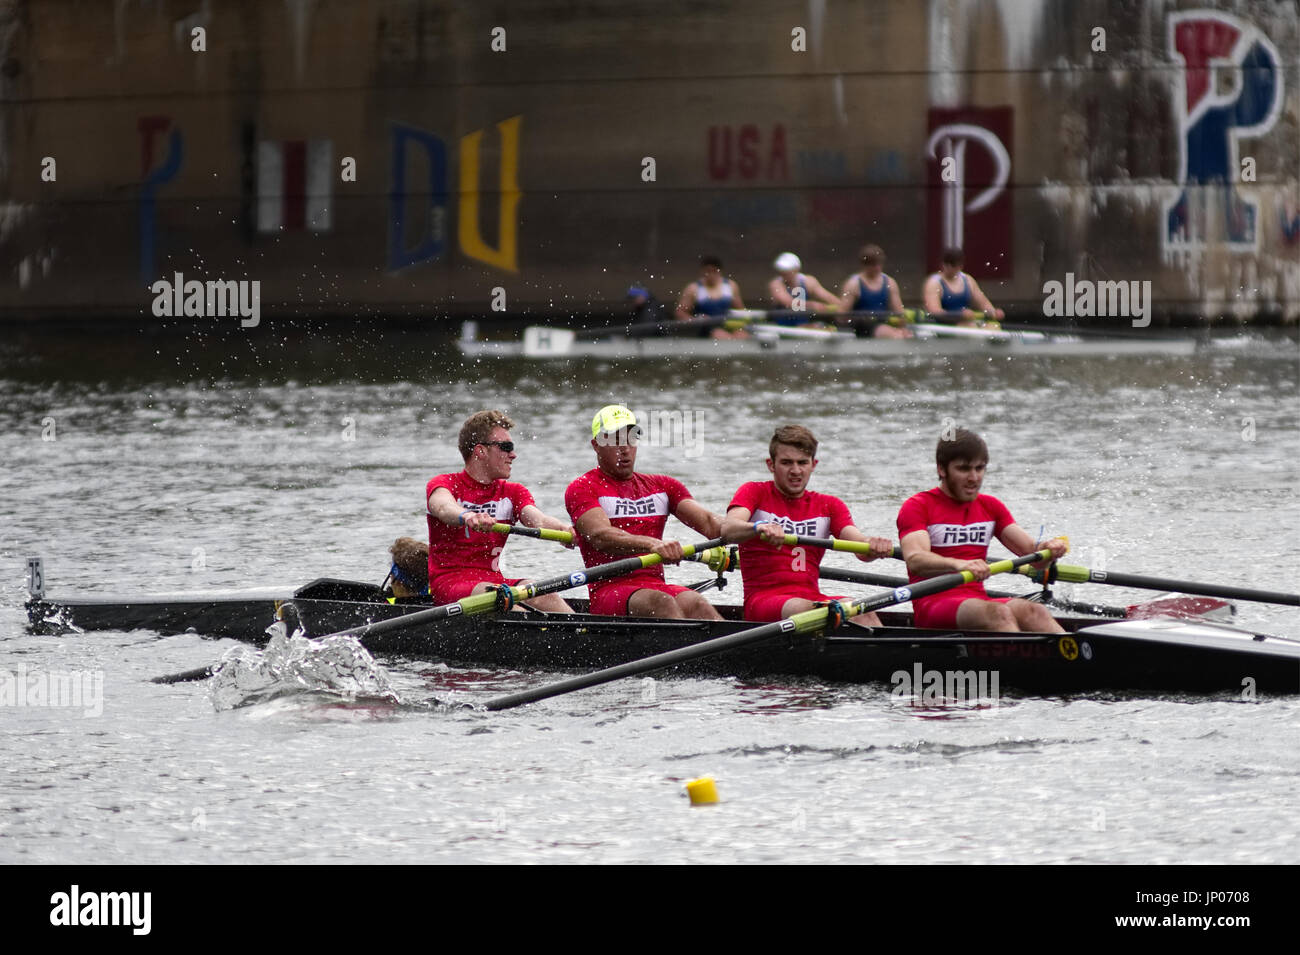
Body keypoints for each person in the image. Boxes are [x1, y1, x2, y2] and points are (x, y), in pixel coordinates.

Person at [897, 429, 1069, 632]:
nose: (974, 477)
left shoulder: (991, 507)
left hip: (978, 600)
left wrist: (1048, 549)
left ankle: (1072, 658)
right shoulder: (918, 506)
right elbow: (916, 560)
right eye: (964, 469)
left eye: (979, 468)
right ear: (942, 469)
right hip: (933, 604)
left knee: (1036, 612)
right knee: (999, 614)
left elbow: (1035, 557)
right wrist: (959, 564)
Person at [565, 405, 724, 619]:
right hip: (609, 590)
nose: (625, 448)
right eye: (615, 440)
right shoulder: (583, 487)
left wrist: (755, 526)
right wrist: (652, 544)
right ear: (596, 445)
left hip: (654, 585)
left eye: (631, 439)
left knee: (698, 604)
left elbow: (712, 524)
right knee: (662, 603)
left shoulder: (664, 486)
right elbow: (600, 536)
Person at [722, 425, 894, 623]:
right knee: (820, 610)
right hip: (764, 602)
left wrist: (873, 545)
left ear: (814, 464)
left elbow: (860, 548)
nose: (796, 471)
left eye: (802, 462)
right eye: (787, 463)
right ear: (771, 464)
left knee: (861, 609)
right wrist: (757, 527)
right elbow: (728, 529)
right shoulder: (754, 492)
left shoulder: (829, 505)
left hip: (813, 601)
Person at [426, 410, 575, 611]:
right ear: (480, 451)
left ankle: (585, 636)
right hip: (451, 586)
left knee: (547, 596)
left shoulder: (513, 492)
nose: (513, 455)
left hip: (495, 583)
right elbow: (443, 507)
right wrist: (467, 515)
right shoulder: (445, 484)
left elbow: (537, 520)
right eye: (506, 447)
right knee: (509, 605)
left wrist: (566, 530)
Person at [837, 244, 913, 339]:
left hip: (882, 325)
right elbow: (841, 316)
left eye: (879, 264)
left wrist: (903, 328)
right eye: (873, 265)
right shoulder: (853, 284)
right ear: (864, 265)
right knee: (883, 330)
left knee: (904, 334)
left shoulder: (890, 282)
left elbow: (899, 312)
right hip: (861, 328)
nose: (877, 268)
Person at [921, 248, 1005, 325]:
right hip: (943, 327)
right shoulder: (933, 283)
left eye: (953, 265)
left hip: (965, 325)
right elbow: (934, 312)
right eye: (947, 265)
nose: (949, 268)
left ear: (960, 266)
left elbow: (983, 303)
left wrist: (993, 312)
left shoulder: (968, 280)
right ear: (943, 264)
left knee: (993, 326)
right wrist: (959, 315)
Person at [675, 255, 748, 339]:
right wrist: (695, 320)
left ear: (720, 272)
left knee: (742, 335)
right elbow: (680, 313)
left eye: (714, 271)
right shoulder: (693, 289)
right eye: (708, 271)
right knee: (720, 335)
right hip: (707, 328)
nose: (711, 275)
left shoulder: (730, 286)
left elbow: (741, 310)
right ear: (702, 272)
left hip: (728, 324)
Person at [768, 252, 840, 315]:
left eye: (787, 271)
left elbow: (828, 298)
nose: (783, 273)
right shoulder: (776, 284)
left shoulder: (808, 281)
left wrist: (841, 306)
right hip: (782, 325)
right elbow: (789, 303)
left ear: (796, 269)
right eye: (781, 271)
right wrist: (812, 305)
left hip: (803, 324)